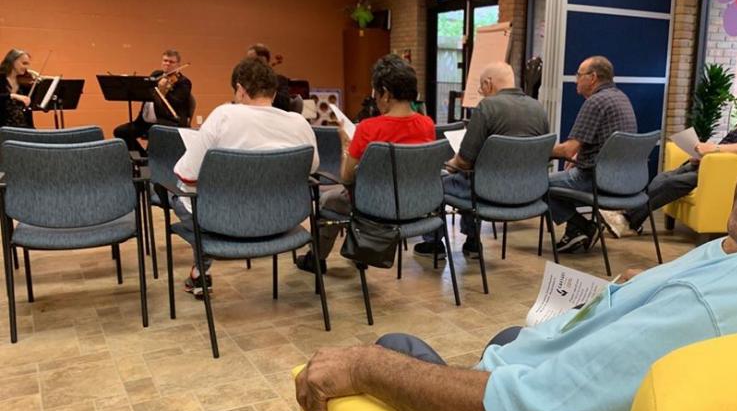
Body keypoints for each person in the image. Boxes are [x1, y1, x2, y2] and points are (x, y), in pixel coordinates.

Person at [296, 72, 737, 411]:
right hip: (561, 194)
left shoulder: (711, 314)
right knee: (512, 333)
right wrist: (648, 288)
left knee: (392, 344)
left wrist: (368, 367)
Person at [172, 57, 318, 298]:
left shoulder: (224, 116)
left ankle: (201, 270)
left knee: (177, 193)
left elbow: (187, 176)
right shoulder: (299, 123)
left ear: (240, 89)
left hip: (228, 222)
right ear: (273, 91)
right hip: (283, 220)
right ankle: (199, 270)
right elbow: (311, 168)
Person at [295, 54, 434, 274]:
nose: (375, 99)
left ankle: (316, 259)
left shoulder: (368, 128)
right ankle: (360, 252)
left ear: (386, 94)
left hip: (373, 208)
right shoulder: (427, 124)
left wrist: (345, 145)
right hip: (415, 205)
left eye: (375, 93)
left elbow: (347, 177)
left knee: (329, 200)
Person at [601, 80, 737, 237]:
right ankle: (633, 220)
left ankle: (626, 219)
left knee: (669, 184)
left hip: (722, 173)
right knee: (663, 177)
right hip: (709, 164)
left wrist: (715, 149)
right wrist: (705, 154)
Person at [412, 62, 550, 259]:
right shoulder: (538, 108)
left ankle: (434, 244)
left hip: (489, 194)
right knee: (473, 177)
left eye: (481, 87)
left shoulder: (487, 107)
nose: (481, 92)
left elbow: (465, 161)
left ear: (488, 83)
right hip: (529, 194)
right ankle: (472, 243)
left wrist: (449, 164)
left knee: (437, 182)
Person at [548, 56, 637, 253]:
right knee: (563, 180)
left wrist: (536, 150)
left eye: (579, 75)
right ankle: (575, 232)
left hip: (597, 180)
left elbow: (568, 149)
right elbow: (606, 143)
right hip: (626, 180)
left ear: (593, 77)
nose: (575, 80)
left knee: (538, 184)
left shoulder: (596, 102)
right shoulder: (621, 97)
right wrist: (581, 156)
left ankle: (583, 226)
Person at [113, 49, 192, 156]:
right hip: (144, 122)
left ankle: (152, 160)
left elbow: (176, 102)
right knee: (120, 132)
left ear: (178, 64)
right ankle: (143, 157)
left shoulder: (183, 82)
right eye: (165, 60)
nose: (167, 64)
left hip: (168, 122)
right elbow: (146, 90)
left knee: (154, 135)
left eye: (171, 62)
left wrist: (164, 91)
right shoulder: (156, 74)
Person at [246, 43, 303, 113]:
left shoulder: (279, 80)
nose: (247, 64)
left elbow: (285, 105)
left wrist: (266, 86)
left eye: (251, 60)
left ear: (263, 61)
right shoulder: (247, 82)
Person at [1, 49, 34, 128]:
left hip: (23, 128)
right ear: (13, 62)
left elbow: (28, 110)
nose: (26, 67)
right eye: (24, 63)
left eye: (27, 64)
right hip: (3, 128)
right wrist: (12, 96)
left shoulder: (24, 83)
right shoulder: (1, 79)